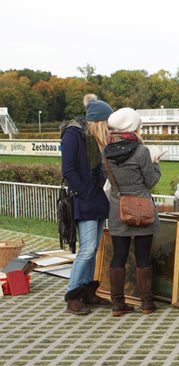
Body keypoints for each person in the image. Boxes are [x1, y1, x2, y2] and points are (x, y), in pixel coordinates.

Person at [103, 107, 161, 316]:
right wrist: (156, 164)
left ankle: (117, 304)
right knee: (143, 256)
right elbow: (151, 181)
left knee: (118, 256)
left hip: (118, 207)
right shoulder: (141, 151)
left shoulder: (106, 151)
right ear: (132, 126)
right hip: (142, 208)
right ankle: (147, 303)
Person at [61, 94, 113, 315]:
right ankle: (73, 295)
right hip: (84, 199)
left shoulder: (92, 139)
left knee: (94, 249)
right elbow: (69, 170)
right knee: (87, 249)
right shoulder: (74, 134)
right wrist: (85, 192)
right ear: (99, 122)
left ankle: (88, 291)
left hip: (96, 199)